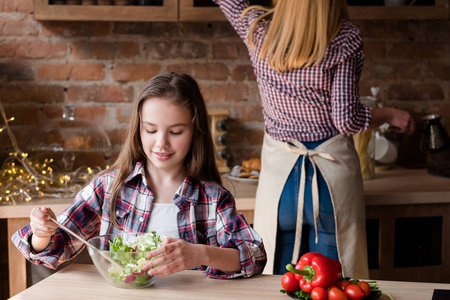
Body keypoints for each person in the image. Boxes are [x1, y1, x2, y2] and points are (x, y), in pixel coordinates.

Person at [213, 0, 415, 277]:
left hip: (280, 183)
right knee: (337, 284)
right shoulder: (345, 38)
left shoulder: (259, 29)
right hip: (332, 179)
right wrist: (389, 114)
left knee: (277, 280)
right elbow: (348, 120)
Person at [12, 72, 267, 279]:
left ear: (195, 132)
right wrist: (42, 232)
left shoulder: (211, 198)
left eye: (176, 132)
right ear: (138, 130)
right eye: (151, 130)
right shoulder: (109, 187)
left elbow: (254, 256)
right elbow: (58, 245)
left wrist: (199, 254)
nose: (161, 143)